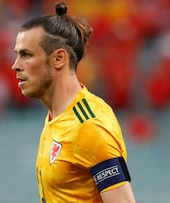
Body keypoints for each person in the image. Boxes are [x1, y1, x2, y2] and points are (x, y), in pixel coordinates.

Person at [11, 2, 136, 203]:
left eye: (26, 55)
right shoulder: (56, 118)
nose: (15, 66)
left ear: (59, 58)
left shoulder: (89, 126)